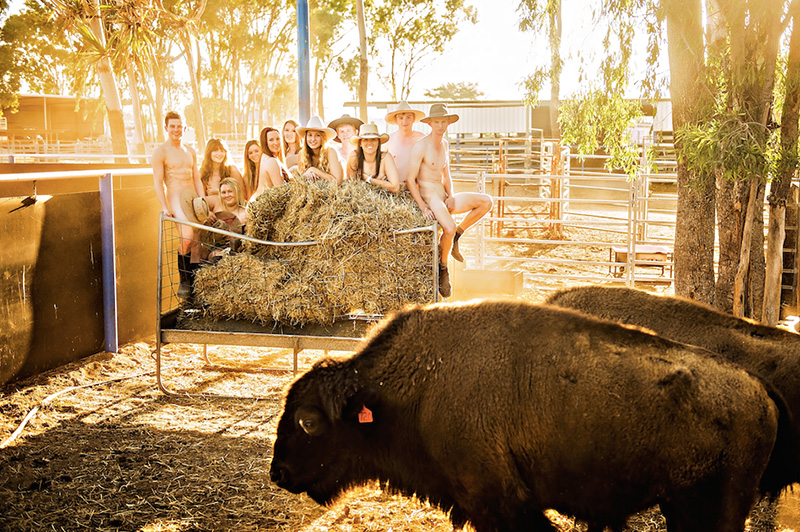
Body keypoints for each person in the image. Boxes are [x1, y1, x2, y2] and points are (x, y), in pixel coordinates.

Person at [407, 103, 493, 298]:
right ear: (430, 123)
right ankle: (443, 268)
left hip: (443, 194)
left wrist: (452, 195)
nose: (440, 125)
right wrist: (422, 206)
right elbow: (411, 180)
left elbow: (447, 174)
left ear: (447, 123)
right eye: (436, 122)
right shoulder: (421, 146)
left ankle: (457, 236)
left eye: (443, 122)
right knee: (448, 227)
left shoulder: (444, 144)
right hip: (430, 194)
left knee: (486, 202)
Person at [151, 111, 203, 299]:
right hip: (174, 196)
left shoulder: (190, 151)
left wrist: (202, 199)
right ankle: (184, 280)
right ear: (166, 128)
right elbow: (158, 181)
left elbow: (196, 178)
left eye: (179, 126)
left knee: (197, 240)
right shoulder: (161, 152)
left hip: (192, 198)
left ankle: (195, 285)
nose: (176, 130)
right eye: (172, 126)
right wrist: (165, 206)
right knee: (187, 237)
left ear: (184, 127)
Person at [346, 123, 400, 193]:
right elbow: (351, 185)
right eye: (365, 140)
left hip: (384, 199)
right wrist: (383, 183)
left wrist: (368, 179)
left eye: (373, 139)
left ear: (378, 142)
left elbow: (395, 187)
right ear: (360, 143)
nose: (370, 143)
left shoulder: (385, 157)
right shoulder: (354, 157)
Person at [385, 101, 426, 190]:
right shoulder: (389, 140)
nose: (405, 121)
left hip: (417, 188)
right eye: (401, 118)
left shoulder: (422, 139)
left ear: (414, 119)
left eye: (408, 117)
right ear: (396, 120)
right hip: (395, 188)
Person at [204, 178, 247, 262]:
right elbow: (197, 202)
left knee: (217, 255)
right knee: (197, 250)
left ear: (237, 192)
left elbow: (250, 238)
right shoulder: (216, 202)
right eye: (223, 192)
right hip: (213, 245)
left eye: (230, 191)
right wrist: (206, 213)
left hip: (234, 250)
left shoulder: (245, 213)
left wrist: (237, 237)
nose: (227, 195)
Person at [296, 116, 344, 184]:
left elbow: (336, 182)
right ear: (306, 137)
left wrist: (313, 170)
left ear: (323, 137)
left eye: (317, 135)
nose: (313, 139)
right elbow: (301, 181)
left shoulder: (331, 152)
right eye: (310, 135)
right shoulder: (301, 154)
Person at [251, 126, 291, 201]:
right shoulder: (272, 161)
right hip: (263, 205)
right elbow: (282, 192)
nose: (275, 143)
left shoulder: (264, 157)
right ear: (265, 143)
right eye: (271, 140)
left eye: (278, 139)